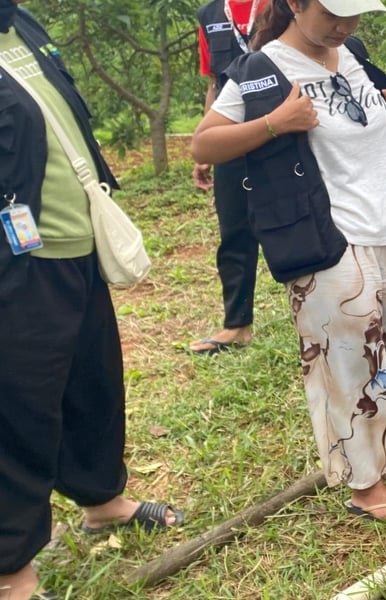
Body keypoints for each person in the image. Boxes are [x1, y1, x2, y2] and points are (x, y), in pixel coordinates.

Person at [190, 0, 386, 523]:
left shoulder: (352, 52)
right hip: (330, 243)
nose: (346, 25)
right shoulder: (260, 71)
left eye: (356, 14)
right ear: (295, 4)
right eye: (334, 13)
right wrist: (273, 123)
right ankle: (367, 487)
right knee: (350, 367)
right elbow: (205, 143)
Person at [0, 3, 184, 599]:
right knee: (16, 410)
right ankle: (12, 575)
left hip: (75, 246)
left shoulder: (19, 23)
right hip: (15, 264)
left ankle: (103, 499)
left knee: (93, 382)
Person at [188, 0, 265, 355]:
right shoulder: (209, 15)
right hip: (232, 138)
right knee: (234, 231)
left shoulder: (285, 4)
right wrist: (205, 144)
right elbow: (214, 85)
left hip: (284, 130)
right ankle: (237, 325)